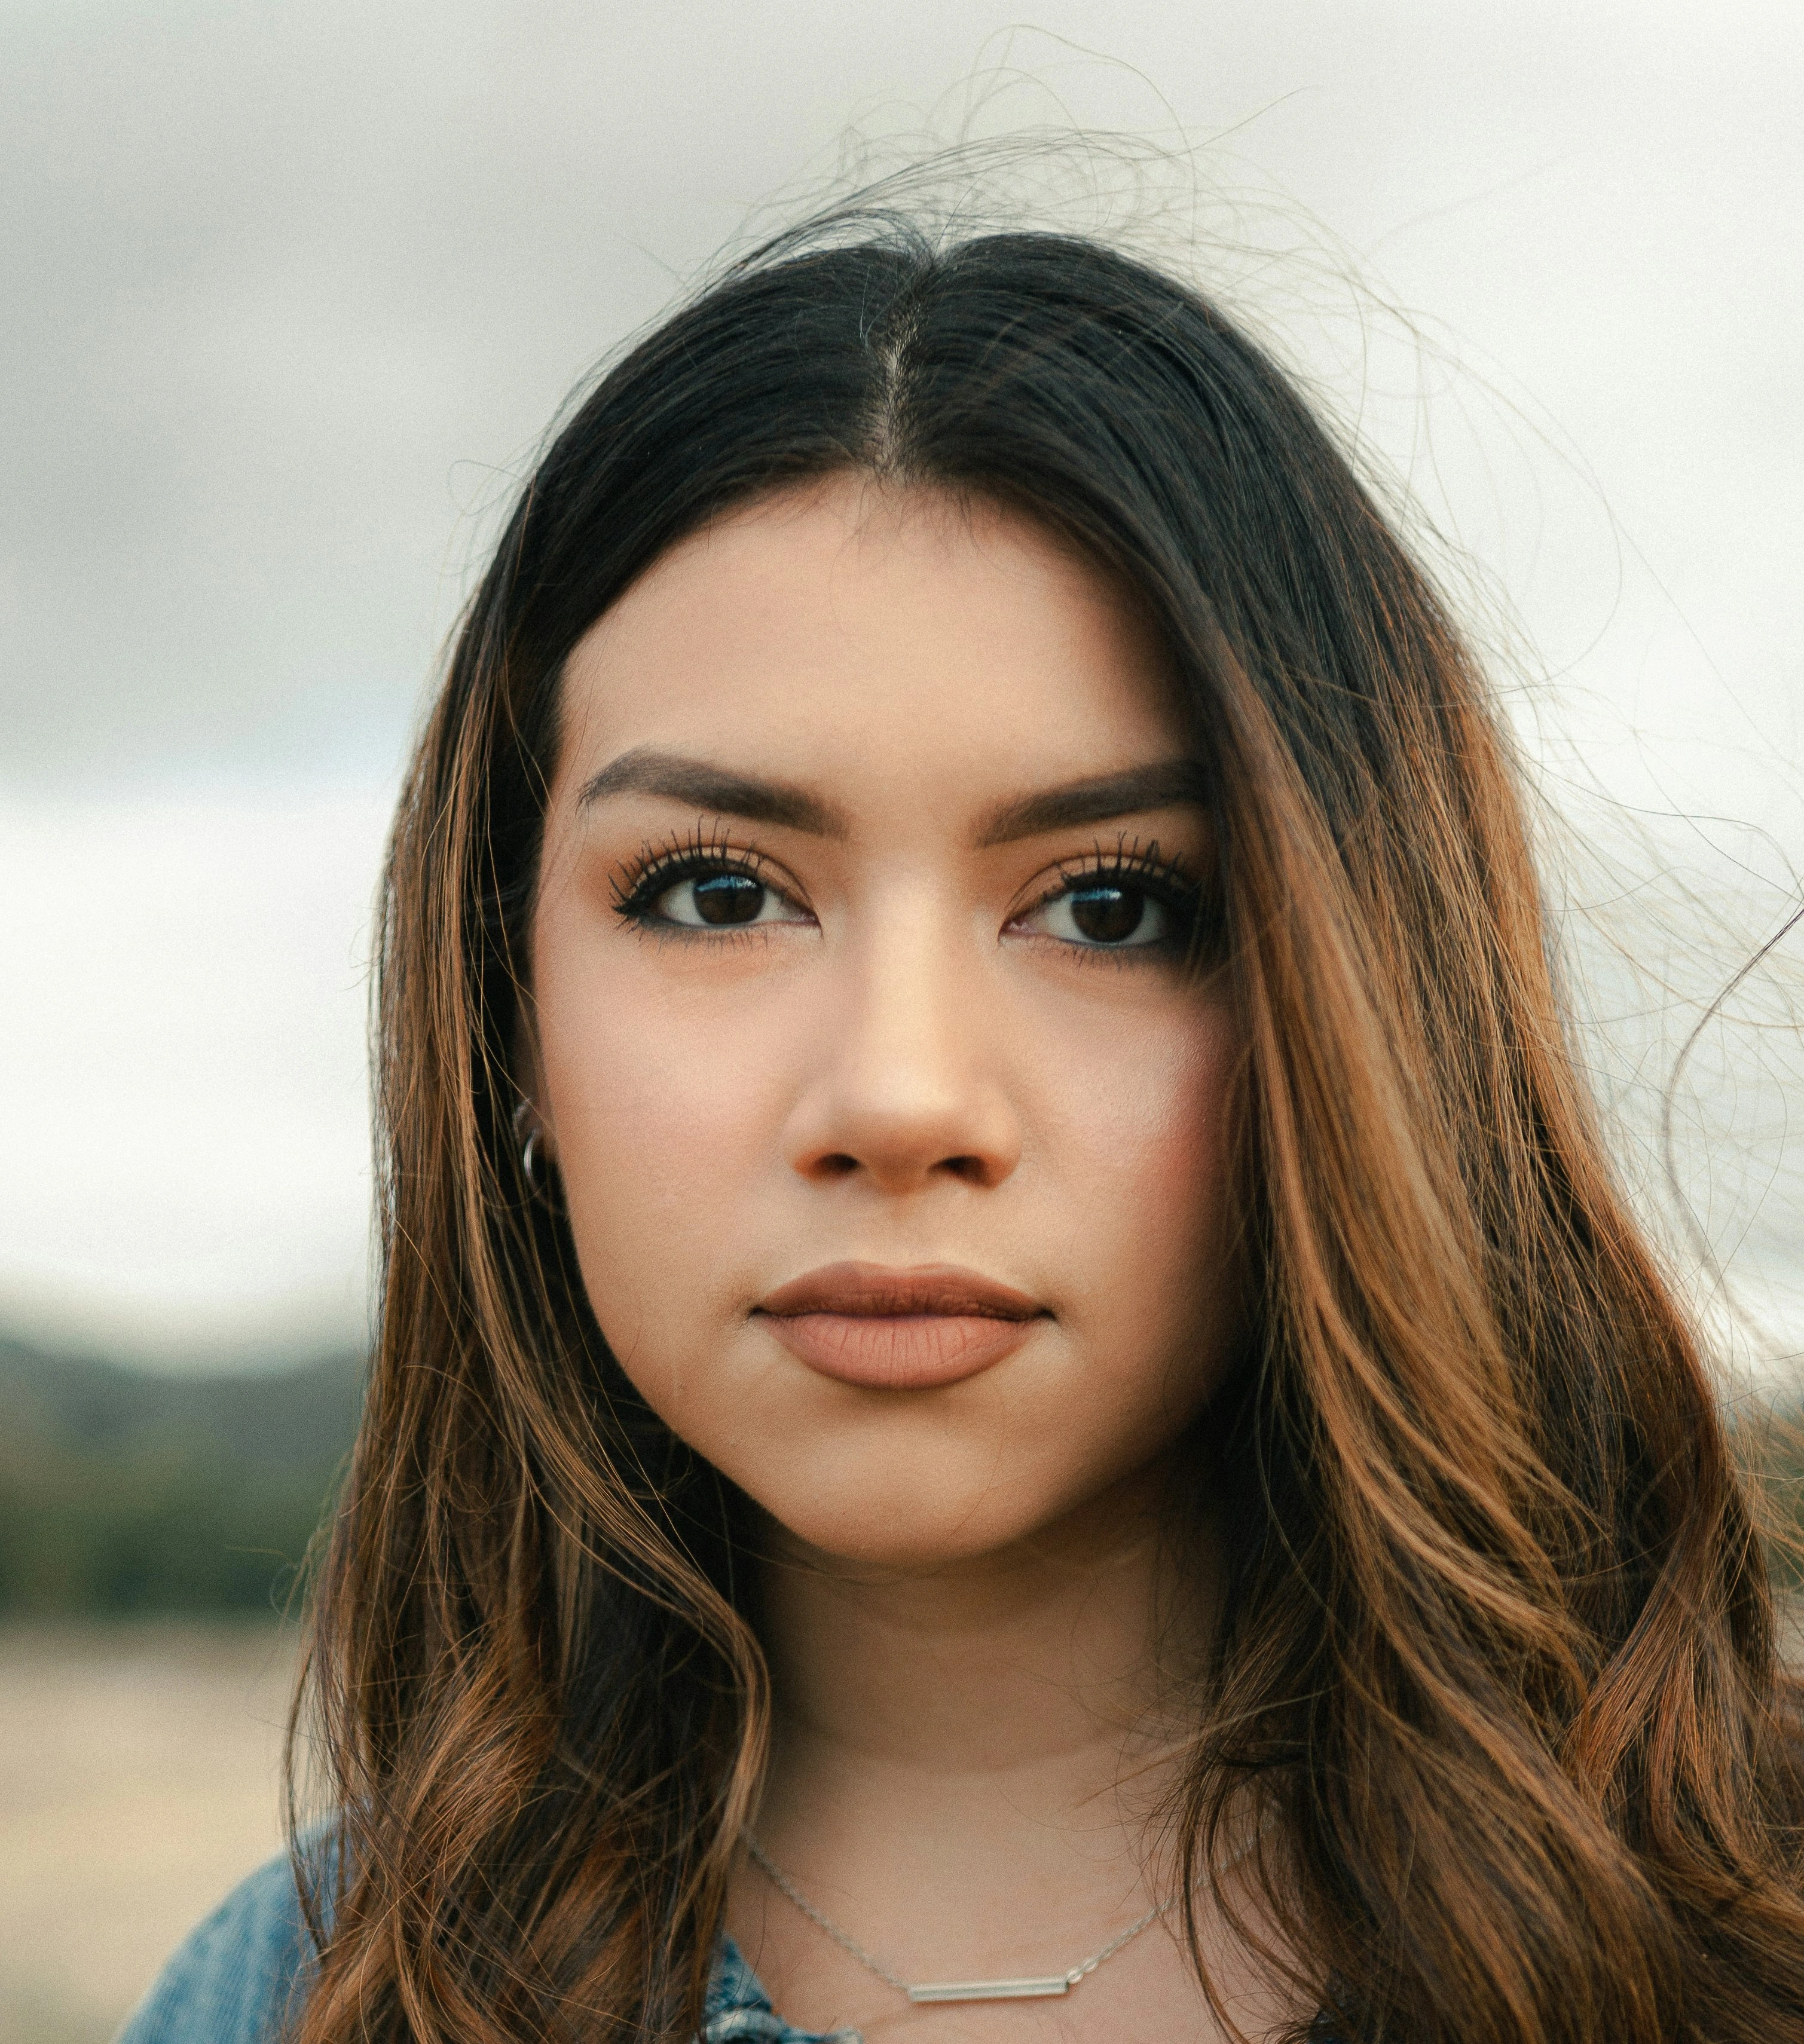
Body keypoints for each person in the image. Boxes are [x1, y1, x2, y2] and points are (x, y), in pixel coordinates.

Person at [120, 211, 1804, 2044]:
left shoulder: (1733, 1941)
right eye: (711, 892)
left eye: (1113, 905)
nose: (901, 1100)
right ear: (499, 1010)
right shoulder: (299, 1999)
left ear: (1371, 994)